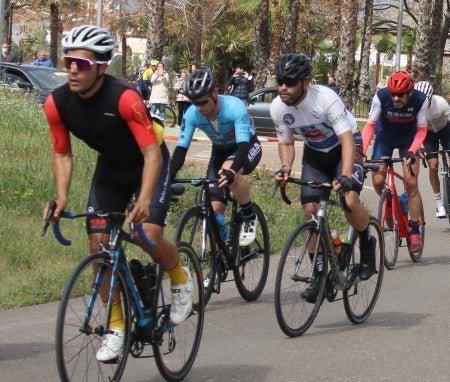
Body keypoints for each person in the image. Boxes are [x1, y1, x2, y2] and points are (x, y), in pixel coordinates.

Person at [42, 26, 192, 363]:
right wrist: (61, 198)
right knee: (98, 244)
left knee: (146, 233)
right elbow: (62, 154)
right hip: (111, 169)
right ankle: (116, 327)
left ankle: (180, 279)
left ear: (101, 66)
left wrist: (143, 201)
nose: (72, 69)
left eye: (81, 63)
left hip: (148, 163)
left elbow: (152, 154)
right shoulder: (56, 103)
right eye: (68, 61)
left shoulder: (124, 98)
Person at [269, 52, 377, 300]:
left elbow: (346, 139)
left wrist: (347, 174)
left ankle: (366, 242)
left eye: (290, 83)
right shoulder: (278, 107)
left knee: (348, 200)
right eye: (280, 81)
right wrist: (286, 168)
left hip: (346, 147)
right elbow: (285, 143)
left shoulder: (325, 99)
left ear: (305, 82)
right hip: (316, 153)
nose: (283, 87)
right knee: (309, 209)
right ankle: (319, 272)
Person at [168, 68, 262, 249]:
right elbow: (180, 150)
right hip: (219, 151)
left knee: (229, 172)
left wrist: (232, 171)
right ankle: (218, 261)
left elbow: (243, 147)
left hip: (246, 146)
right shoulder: (192, 114)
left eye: (203, 102)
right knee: (214, 211)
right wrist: (168, 176)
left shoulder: (235, 107)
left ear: (215, 93)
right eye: (195, 103)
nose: (199, 108)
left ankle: (249, 215)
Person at [361, 71, 429, 254]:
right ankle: (390, 203)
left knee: (411, 182)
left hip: (409, 140)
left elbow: (422, 130)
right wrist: (361, 152)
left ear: (410, 92)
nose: (396, 98)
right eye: (393, 94)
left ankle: (414, 230)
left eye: (400, 95)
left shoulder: (421, 100)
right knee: (377, 179)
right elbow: (370, 125)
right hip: (385, 138)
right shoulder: (382, 96)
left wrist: (413, 151)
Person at [415, 81, 450, 220]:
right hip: (428, 135)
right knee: (433, 166)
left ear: (431, 97)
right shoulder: (415, 107)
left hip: (445, 130)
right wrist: (421, 146)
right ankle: (439, 203)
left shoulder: (440, 102)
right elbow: (415, 130)